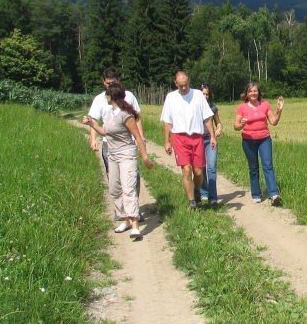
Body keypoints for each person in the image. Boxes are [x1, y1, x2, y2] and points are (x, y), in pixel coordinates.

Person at [83, 82, 153, 239]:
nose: (105, 97)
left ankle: (135, 225)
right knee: (114, 188)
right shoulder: (109, 114)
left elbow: (138, 137)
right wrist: (92, 123)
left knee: (128, 188)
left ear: (112, 97)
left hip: (127, 154)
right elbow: (105, 132)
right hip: (113, 155)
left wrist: (145, 157)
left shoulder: (125, 115)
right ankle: (125, 219)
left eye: (107, 94)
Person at [87, 66, 145, 221]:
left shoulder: (129, 96)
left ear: (118, 81)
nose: (109, 86)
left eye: (112, 83)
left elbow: (137, 118)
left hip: (127, 144)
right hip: (109, 145)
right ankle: (121, 211)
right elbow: (94, 119)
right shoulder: (100, 99)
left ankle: (134, 209)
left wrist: (141, 137)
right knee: (114, 179)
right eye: (107, 83)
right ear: (103, 82)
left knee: (133, 177)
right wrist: (93, 139)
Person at [160, 71, 217, 210]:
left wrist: (212, 136)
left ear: (189, 81)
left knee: (198, 173)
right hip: (179, 137)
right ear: (176, 84)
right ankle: (192, 203)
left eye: (185, 85)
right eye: (181, 86)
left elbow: (207, 118)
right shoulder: (171, 97)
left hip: (197, 137)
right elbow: (167, 122)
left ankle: (196, 191)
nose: (184, 88)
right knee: (186, 170)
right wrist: (167, 141)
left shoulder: (198, 95)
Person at [233, 82, 284, 206]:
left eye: (255, 91)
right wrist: (242, 124)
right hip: (248, 140)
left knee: (268, 165)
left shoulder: (265, 105)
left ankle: (274, 194)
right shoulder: (242, 107)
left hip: (264, 139)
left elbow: (273, 122)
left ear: (259, 92)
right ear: (247, 93)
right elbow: (235, 126)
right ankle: (256, 194)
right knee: (253, 167)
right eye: (250, 91)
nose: (253, 93)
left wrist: (279, 110)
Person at [199, 84, 223, 206]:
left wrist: (218, 129)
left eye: (207, 94)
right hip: (197, 140)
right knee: (201, 168)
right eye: (203, 93)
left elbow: (218, 123)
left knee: (211, 168)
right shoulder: (194, 107)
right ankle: (203, 193)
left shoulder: (212, 108)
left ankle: (213, 197)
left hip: (210, 140)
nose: (205, 96)